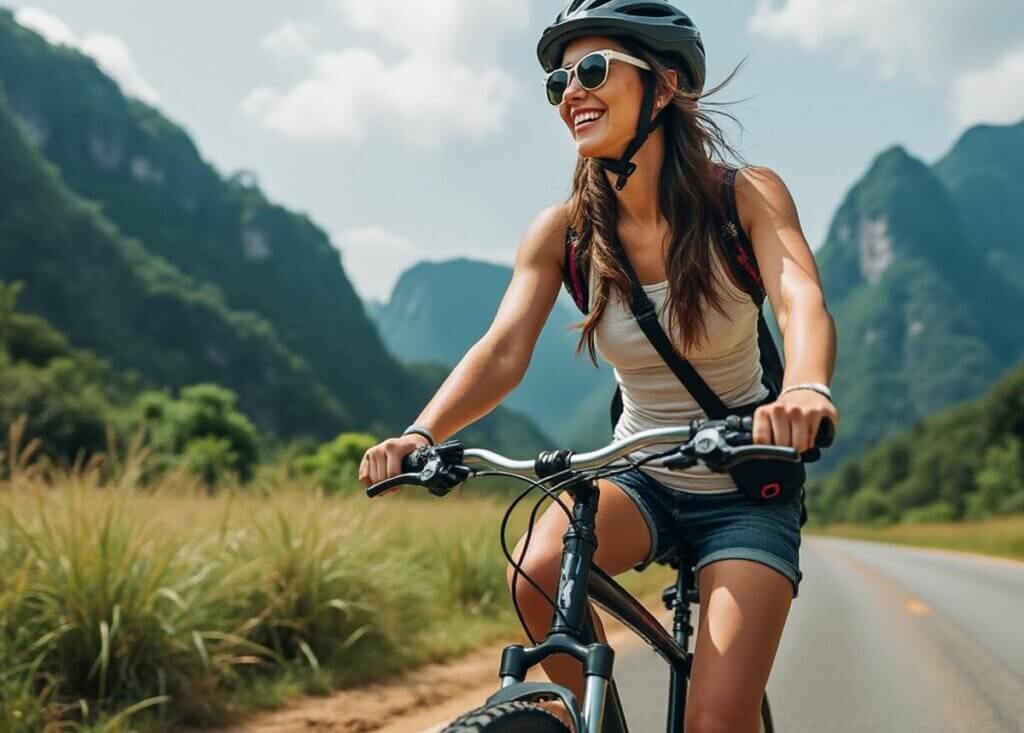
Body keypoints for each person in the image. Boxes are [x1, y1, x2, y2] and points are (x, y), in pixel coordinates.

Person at [360, 1, 839, 730]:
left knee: (716, 719)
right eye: (558, 82)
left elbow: (800, 297)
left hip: (746, 481)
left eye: (591, 70)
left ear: (665, 84)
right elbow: (501, 349)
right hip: (640, 474)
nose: (570, 92)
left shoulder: (742, 198)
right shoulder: (565, 233)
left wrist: (803, 388)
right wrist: (420, 434)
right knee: (536, 567)